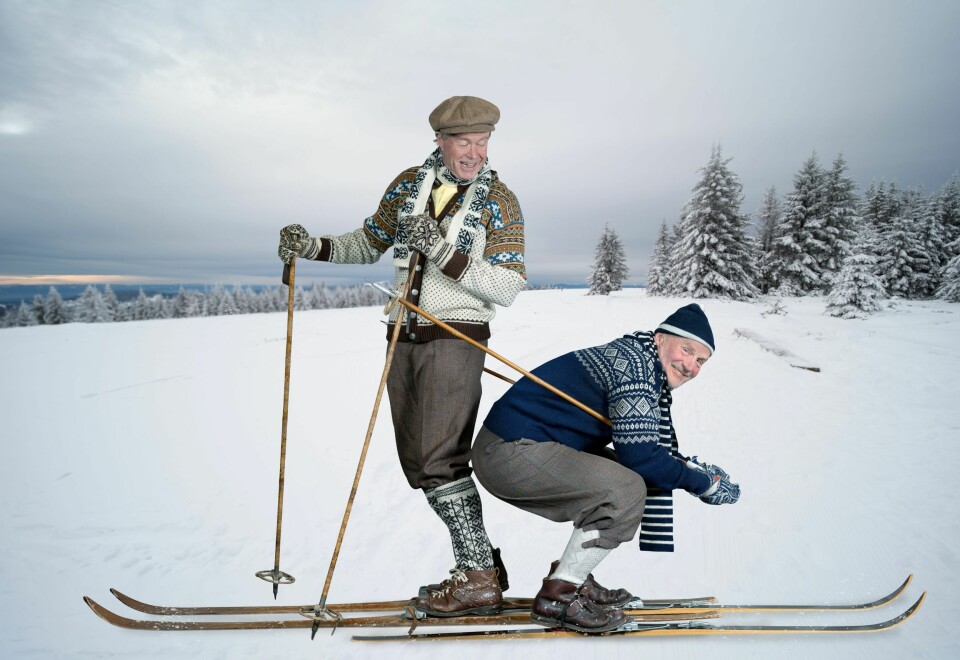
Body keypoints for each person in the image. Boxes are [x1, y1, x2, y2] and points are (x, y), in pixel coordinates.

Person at [277, 96, 526, 617]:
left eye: (483, 142)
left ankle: (478, 577)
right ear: (440, 140)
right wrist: (312, 247)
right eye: (464, 142)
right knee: (418, 463)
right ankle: (482, 566)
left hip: (455, 335)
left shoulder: (500, 201)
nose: (475, 153)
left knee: (440, 458)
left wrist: (441, 251)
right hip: (402, 336)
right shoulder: (409, 185)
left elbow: (506, 285)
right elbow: (368, 242)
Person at [472, 303, 741, 633]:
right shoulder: (635, 369)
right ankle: (559, 597)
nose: (690, 366)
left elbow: (642, 444)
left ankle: (573, 575)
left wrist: (686, 467)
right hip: (508, 452)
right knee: (624, 489)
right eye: (687, 350)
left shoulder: (642, 358)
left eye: (700, 361)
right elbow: (642, 457)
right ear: (660, 338)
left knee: (623, 476)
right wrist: (702, 483)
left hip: (525, 443)